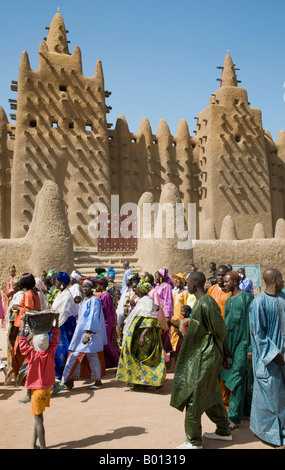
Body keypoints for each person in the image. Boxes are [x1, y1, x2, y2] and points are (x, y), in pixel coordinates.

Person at [170, 271, 232, 449]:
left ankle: (193, 440)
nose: (186, 285)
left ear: (195, 283)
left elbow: (220, 329)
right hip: (202, 355)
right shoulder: (201, 302)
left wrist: (226, 354)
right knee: (211, 393)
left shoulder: (207, 303)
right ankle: (223, 430)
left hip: (206, 356)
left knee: (193, 395)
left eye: (188, 282)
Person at [249, 268, 285, 448]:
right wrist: (274, 355)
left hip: (284, 358)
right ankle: (270, 434)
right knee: (271, 398)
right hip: (269, 361)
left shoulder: (283, 298)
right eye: (282, 279)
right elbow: (258, 334)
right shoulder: (258, 303)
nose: (283, 282)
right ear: (276, 280)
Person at [52, 278, 107, 394]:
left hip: (90, 335)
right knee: (74, 356)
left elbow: (93, 318)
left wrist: (88, 334)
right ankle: (67, 380)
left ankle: (98, 381)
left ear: (92, 288)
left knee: (93, 357)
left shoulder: (94, 301)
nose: (85, 288)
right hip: (81, 334)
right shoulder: (84, 300)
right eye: (84, 286)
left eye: (88, 286)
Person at [18, 312, 60, 449]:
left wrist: (24, 322)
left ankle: (43, 447)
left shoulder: (32, 355)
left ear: (34, 344)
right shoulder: (50, 353)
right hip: (46, 389)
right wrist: (56, 321)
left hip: (37, 391)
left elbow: (22, 341)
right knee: (39, 417)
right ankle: (33, 443)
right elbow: (55, 338)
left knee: (38, 419)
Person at [116, 278, 166, 391]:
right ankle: (138, 382)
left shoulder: (147, 301)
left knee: (143, 359)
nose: (135, 291)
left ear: (141, 290)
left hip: (144, 336)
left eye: (137, 289)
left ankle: (146, 383)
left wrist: (143, 336)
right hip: (138, 335)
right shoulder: (142, 300)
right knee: (137, 358)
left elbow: (151, 320)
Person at [222, 271, 254, 429]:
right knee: (237, 378)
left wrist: (250, 348)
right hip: (230, 345)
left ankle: (234, 416)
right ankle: (246, 411)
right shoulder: (229, 300)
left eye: (227, 281)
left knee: (237, 379)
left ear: (235, 282)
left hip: (243, 344)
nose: (225, 283)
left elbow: (251, 324)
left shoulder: (246, 298)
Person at [12, 273, 41, 402]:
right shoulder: (36, 293)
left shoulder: (28, 294)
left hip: (27, 330)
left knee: (26, 360)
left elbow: (29, 312)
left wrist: (18, 308)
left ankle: (29, 393)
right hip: (34, 330)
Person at [50, 272, 77, 382]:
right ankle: (61, 375)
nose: (55, 283)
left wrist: (55, 325)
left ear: (62, 283)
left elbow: (64, 312)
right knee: (57, 349)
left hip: (64, 325)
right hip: (58, 323)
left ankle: (66, 377)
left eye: (57, 281)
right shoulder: (60, 294)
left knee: (63, 349)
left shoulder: (67, 295)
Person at [96, 277, 120, 368]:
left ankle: (118, 363)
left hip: (107, 322)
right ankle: (109, 363)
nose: (97, 286)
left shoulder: (105, 295)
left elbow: (104, 309)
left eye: (98, 285)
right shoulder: (102, 295)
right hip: (105, 322)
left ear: (102, 286)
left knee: (107, 344)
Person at [154, 268, 174, 354]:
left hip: (164, 313)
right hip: (157, 312)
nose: (155, 278)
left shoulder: (167, 287)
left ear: (161, 277)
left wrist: (167, 316)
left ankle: (166, 351)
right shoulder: (157, 286)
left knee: (165, 333)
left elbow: (168, 301)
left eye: (156, 276)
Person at [170, 273, 189, 353]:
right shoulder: (175, 293)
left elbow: (186, 305)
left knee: (180, 335)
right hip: (174, 317)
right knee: (173, 335)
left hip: (181, 317)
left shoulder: (185, 293)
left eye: (177, 282)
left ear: (181, 283)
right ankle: (173, 350)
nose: (175, 283)